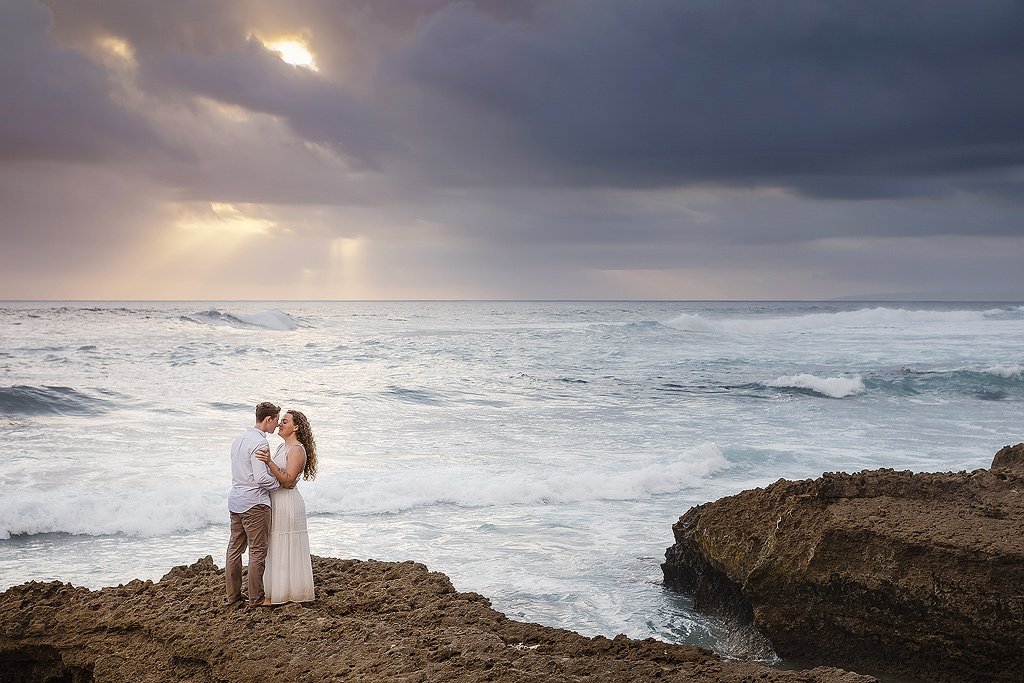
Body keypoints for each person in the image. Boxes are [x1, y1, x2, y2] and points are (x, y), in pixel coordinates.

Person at [256, 409, 318, 604]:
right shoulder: (281, 448)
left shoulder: (297, 449)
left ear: (296, 427)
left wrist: (269, 463)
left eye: (285, 421)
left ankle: (291, 593)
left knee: (287, 544)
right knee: (276, 545)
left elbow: (289, 481)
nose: (280, 424)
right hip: (276, 501)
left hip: (289, 502)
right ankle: (275, 592)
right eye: (280, 421)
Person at [225, 401, 281, 607]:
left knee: (234, 549)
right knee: (258, 551)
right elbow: (261, 478)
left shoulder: (239, 439)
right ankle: (256, 599)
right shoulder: (259, 443)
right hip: (254, 503)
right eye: (276, 420)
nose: (276, 425)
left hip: (236, 499)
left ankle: (233, 597)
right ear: (268, 419)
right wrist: (279, 484)